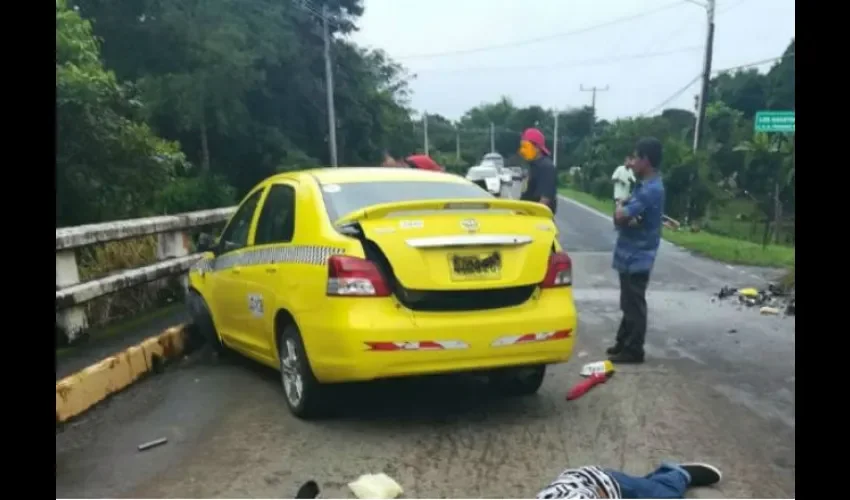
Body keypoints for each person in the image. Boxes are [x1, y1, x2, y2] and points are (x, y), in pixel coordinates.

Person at [608, 137, 665, 364]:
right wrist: (622, 212)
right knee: (628, 302)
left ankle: (634, 349)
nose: (631, 163)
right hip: (629, 253)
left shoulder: (650, 190)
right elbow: (623, 218)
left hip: (639, 254)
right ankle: (623, 341)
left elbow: (621, 215)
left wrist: (620, 207)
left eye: (635, 158)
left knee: (634, 304)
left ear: (646, 160)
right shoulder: (643, 187)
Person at [536, 462, 722, 499]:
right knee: (646, 490)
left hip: (607, 483)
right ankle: (649, 483)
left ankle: (676, 474)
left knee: (667, 495)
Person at [518, 128, 558, 214]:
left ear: (537, 148)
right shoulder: (533, 166)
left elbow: (545, 200)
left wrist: (531, 216)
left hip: (538, 220)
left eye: (525, 147)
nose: (522, 151)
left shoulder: (546, 167)